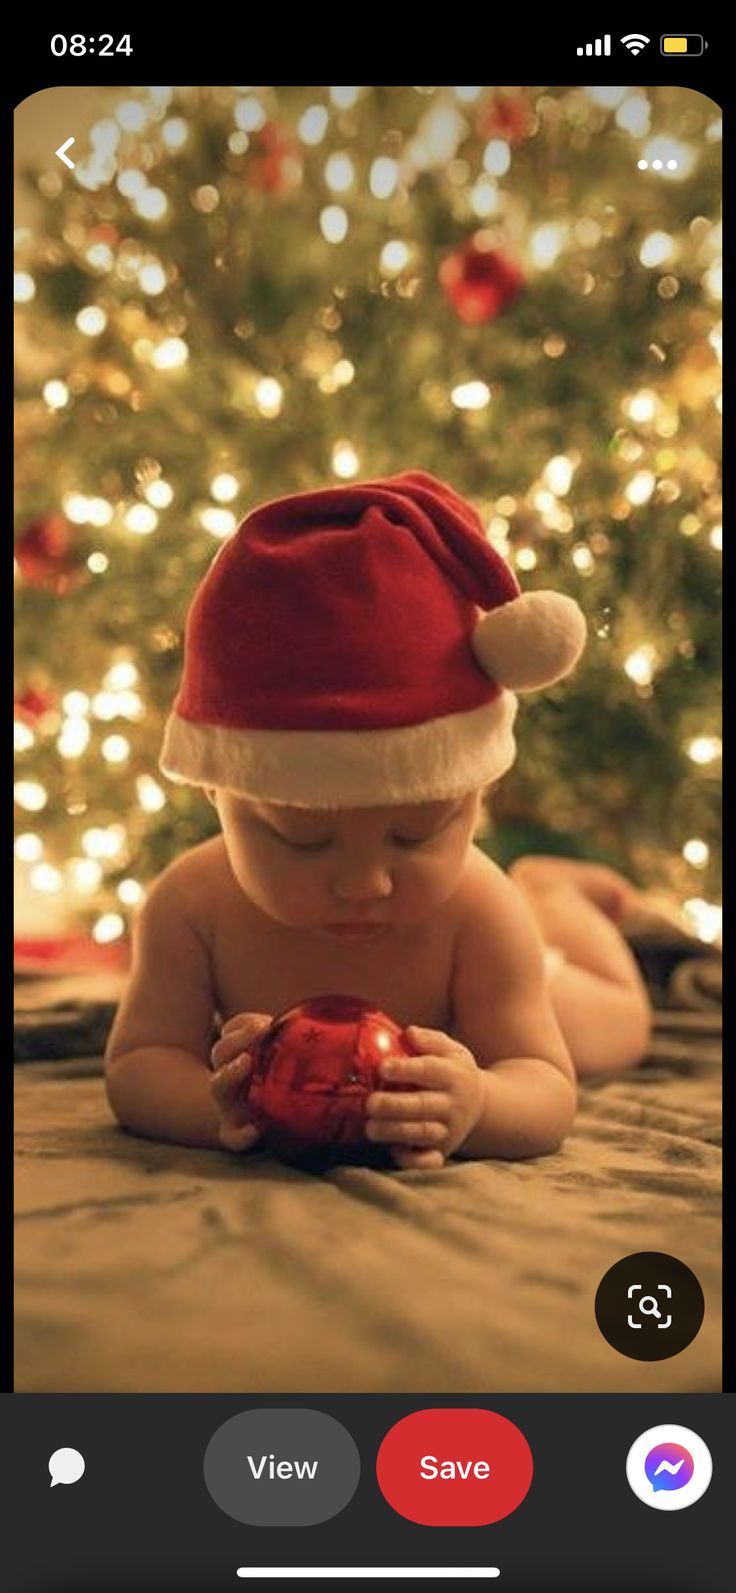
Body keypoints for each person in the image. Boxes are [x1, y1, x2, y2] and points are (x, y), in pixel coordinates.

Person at [104, 470, 651, 1169]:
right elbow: (139, 1064)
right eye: (303, 838)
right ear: (218, 792)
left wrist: (478, 1103)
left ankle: (558, 894)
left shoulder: (480, 911)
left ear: (473, 793)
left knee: (618, 1026)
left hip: (506, 996)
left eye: (413, 835)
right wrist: (217, 1105)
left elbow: (546, 1089)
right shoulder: (189, 906)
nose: (364, 883)